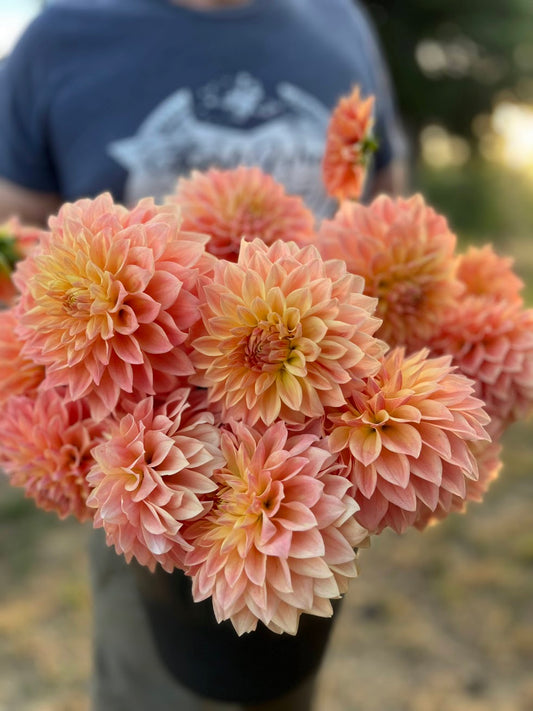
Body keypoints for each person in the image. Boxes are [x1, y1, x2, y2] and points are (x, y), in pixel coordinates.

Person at [0, 1, 407, 709]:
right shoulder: (58, 37)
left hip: (318, 458)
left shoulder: (340, 20)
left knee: (281, 684)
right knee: (152, 686)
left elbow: (386, 198)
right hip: (136, 480)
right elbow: (19, 252)